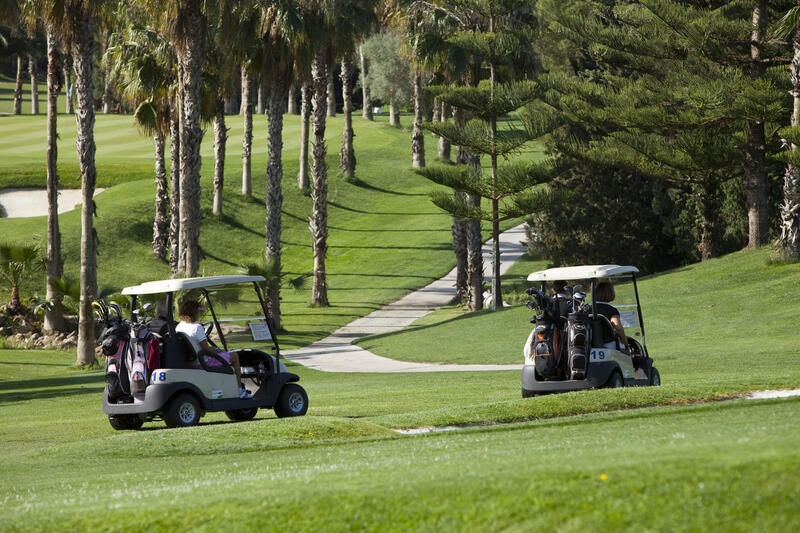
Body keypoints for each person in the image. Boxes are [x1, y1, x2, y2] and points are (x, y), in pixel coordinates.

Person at [176, 300, 252, 399]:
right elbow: (206, 349)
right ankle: (239, 390)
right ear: (193, 312)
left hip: (192, 362)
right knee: (234, 356)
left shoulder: (179, 327)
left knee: (223, 354)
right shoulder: (197, 328)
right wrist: (217, 351)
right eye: (198, 312)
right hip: (204, 362)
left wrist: (214, 350)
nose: (199, 314)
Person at [592, 281, 628, 351]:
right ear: (610, 293)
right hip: (608, 345)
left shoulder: (589, 309)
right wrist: (624, 340)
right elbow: (618, 327)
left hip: (592, 346)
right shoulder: (611, 310)